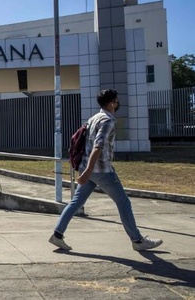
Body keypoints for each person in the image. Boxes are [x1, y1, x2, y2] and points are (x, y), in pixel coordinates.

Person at [49, 89, 163, 251]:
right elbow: (98, 146)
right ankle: (137, 241)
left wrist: (86, 171)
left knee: (76, 203)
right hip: (101, 170)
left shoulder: (94, 118)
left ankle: (57, 235)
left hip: (89, 168)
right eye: (116, 101)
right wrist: (88, 171)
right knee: (123, 202)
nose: (117, 104)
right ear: (111, 103)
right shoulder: (108, 120)